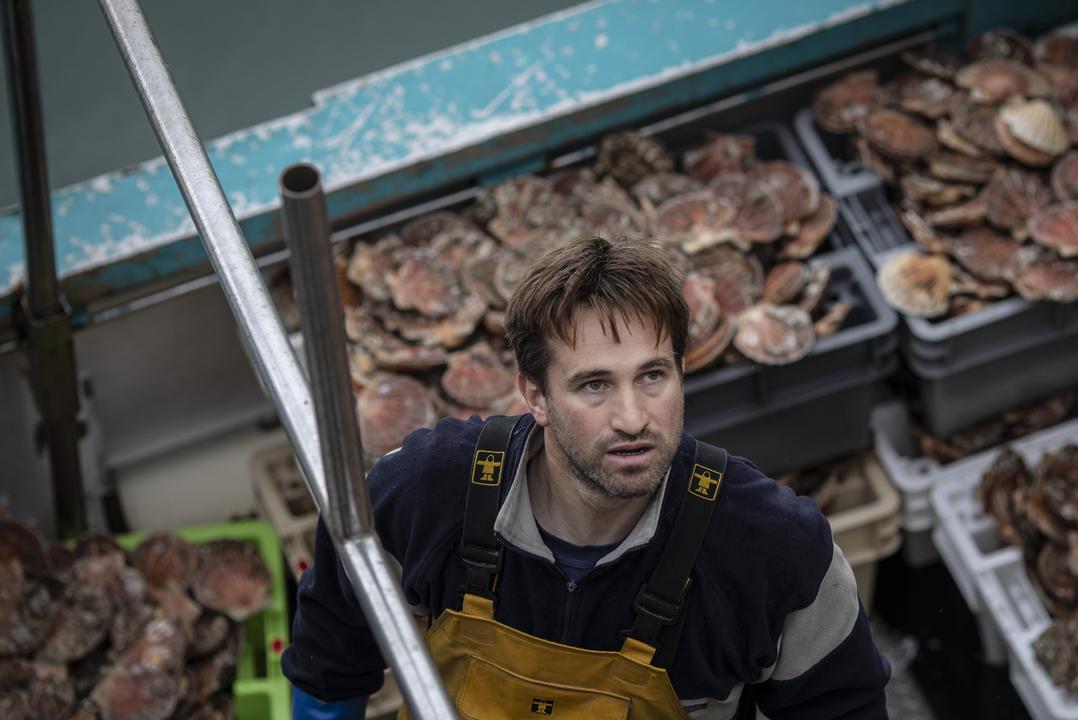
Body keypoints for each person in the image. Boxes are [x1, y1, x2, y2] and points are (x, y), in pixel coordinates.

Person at [284, 236, 891, 719]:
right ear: (535, 396)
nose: (633, 418)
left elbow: (845, 710)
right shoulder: (422, 492)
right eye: (594, 385)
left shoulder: (775, 550)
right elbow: (328, 657)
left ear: (682, 372)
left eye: (653, 376)